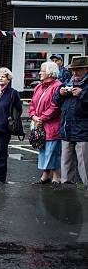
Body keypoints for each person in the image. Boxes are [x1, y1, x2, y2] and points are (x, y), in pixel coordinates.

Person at [53, 56, 87, 186]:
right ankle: (67, 195)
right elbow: (56, 101)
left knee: (84, 165)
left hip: (83, 130)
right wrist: (60, 93)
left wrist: (82, 94)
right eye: (73, 70)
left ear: (86, 69)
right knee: (65, 165)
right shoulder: (68, 81)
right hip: (67, 129)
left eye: (78, 70)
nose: (75, 73)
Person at [29, 61, 63, 184]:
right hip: (40, 124)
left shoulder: (57, 86)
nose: (39, 73)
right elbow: (32, 103)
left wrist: (41, 118)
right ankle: (45, 174)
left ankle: (56, 176)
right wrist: (33, 116)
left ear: (50, 72)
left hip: (52, 125)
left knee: (52, 150)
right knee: (42, 150)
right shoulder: (38, 86)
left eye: (42, 70)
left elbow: (55, 107)